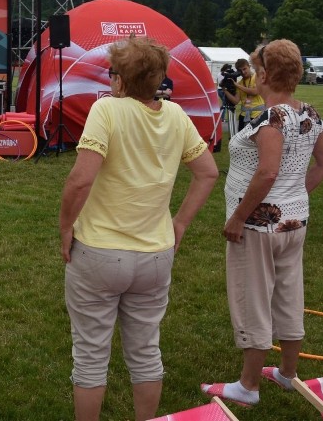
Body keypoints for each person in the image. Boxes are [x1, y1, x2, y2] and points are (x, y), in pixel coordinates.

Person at [58, 37, 218, 421]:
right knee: (146, 351)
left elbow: (80, 180)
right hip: (155, 256)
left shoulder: (107, 110)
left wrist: (65, 226)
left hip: (98, 252)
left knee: (92, 356)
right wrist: (178, 223)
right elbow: (207, 173)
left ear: (120, 80)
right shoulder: (176, 115)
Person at [201, 39, 323, 408]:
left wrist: (240, 216)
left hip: (258, 228)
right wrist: (295, 195)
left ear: (264, 74)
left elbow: (268, 170)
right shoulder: (310, 113)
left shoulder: (271, 118)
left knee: (252, 300)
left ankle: (247, 386)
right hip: (294, 224)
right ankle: (287, 374)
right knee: (289, 294)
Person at [225, 58, 264, 130]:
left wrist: (238, 86)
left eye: (244, 69)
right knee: (242, 140)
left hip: (258, 114)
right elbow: (236, 101)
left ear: (249, 66)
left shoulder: (257, 77)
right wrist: (225, 90)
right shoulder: (240, 83)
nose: (243, 72)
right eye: (240, 70)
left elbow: (255, 92)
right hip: (244, 115)